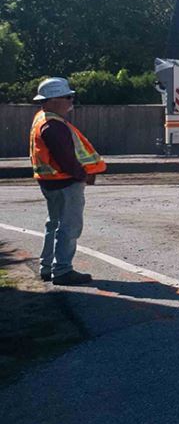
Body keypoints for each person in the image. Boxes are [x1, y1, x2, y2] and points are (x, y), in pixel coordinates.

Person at [29, 77, 106, 286]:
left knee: (54, 223)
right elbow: (65, 157)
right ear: (53, 100)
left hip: (50, 181)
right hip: (65, 182)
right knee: (69, 227)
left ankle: (47, 267)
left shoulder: (43, 119)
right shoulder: (54, 125)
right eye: (68, 97)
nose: (71, 101)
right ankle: (62, 271)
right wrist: (82, 174)